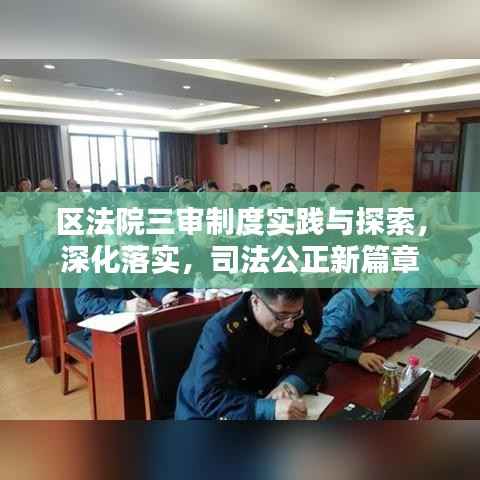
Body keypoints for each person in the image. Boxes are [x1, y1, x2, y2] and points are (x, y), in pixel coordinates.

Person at [175, 288, 331, 420]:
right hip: (206, 416)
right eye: (281, 316)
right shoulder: (221, 330)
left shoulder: (291, 314)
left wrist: (290, 385)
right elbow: (209, 399)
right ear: (256, 302)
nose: (289, 324)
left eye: (296, 314)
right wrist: (270, 409)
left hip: (262, 395)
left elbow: (315, 356)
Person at [316, 272, 411, 373]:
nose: (395, 275)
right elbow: (323, 344)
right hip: (342, 367)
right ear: (365, 276)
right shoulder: (344, 303)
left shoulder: (383, 296)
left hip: (370, 356)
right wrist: (358, 356)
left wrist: (377, 336)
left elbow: (403, 323)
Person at [393, 234, 474, 323]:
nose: (464, 265)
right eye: (461, 260)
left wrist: (438, 306)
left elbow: (462, 297)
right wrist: (454, 315)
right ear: (441, 257)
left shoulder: (447, 274)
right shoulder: (417, 274)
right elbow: (410, 310)